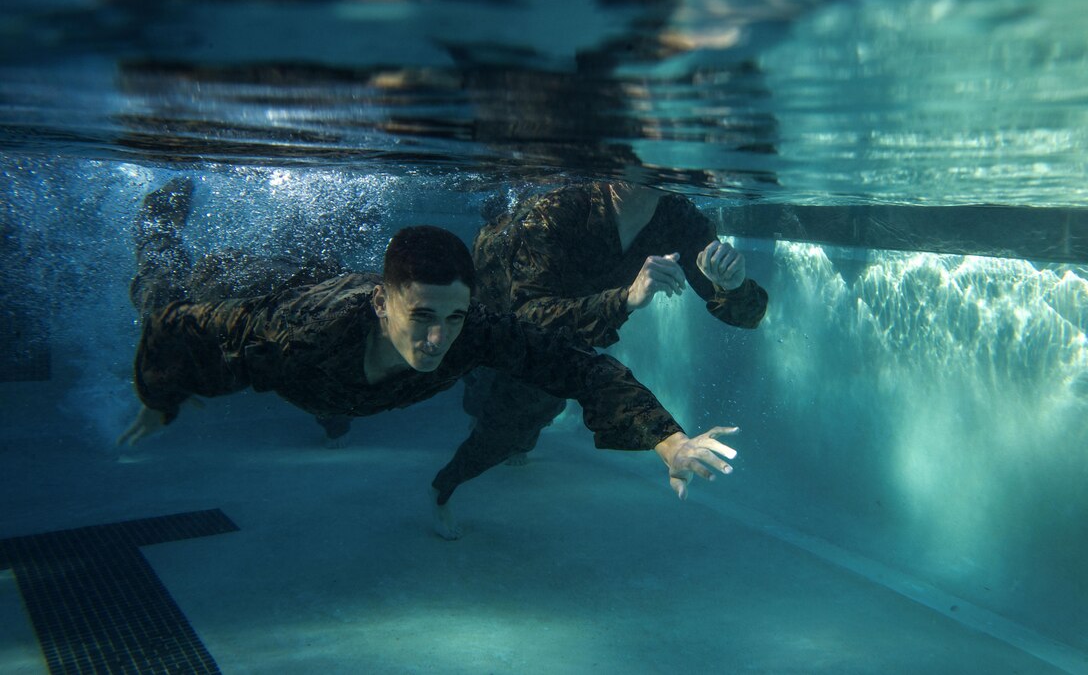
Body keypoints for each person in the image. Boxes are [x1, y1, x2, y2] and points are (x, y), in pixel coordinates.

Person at [120, 180, 742, 540]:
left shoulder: (470, 331)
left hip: (335, 331)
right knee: (166, 292)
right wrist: (159, 393)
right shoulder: (297, 337)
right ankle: (155, 236)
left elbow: (578, 365)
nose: (438, 342)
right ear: (382, 305)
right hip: (274, 292)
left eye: (454, 319)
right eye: (421, 319)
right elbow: (179, 329)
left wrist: (669, 442)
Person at [430, 179, 768, 511]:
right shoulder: (559, 207)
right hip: (495, 292)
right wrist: (625, 299)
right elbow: (527, 320)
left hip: (565, 321)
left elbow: (748, 316)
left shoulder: (678, 216)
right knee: (484, 371)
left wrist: (734, 286)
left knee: (530, 412)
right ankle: (461, 451)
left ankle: (492, 434)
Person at [128, 176, 354, 445]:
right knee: (163, 286)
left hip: (278, 280)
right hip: (236, 285)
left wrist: (162, 393)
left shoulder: (315, 335)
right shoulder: (213, 324)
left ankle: (161, 217)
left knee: (163, 282)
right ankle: (160, 217)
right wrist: (162, 392)